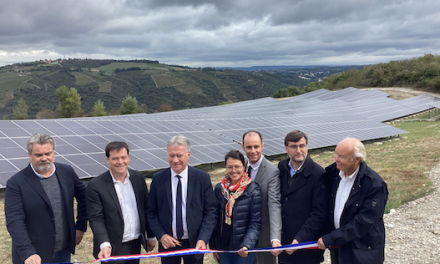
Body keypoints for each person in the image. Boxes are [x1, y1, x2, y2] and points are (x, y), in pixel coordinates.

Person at [5, 133, 87, 264]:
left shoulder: (67, 172)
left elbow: (84, 198)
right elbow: (14, 221)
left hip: (63, 251)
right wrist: (28, 252)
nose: (44, 158)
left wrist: (81, 226)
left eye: (48, 153)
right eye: (38, 155)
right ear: (29, 155)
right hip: (34, 256)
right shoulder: (16, 183)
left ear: (53, 152)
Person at [146, 135, 217, 264]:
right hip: (168, 245)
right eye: (171, 155)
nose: (175, 160)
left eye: (179, 155)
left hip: (195, 243)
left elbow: (211, 211)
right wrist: (161, 235)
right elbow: (151, 212)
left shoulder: (202, 178)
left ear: (188, 154)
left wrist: (203, 239)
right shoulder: (158, 179)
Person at [317, 138, 389, 264]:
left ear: (357, 160)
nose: (336, 159)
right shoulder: (333, 174)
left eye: (342, 156)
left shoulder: (374, 185)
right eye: (336, 154)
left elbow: (364, 221)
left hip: (362, 251)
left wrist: (332, 238)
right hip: (339, 248)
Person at [86, 141, 156, 263]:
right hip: (112, 247)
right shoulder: (96, 185)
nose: (120, 162)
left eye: (123, 157)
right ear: (107, 160)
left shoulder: (138, 178)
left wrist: (150, 236)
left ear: (128, 157)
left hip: (135, 244)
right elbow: (96, 218)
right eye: (115, 159)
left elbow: (146, 207)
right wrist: (104, 244)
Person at [277, 130, 327, 264]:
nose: (299, 150)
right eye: (294, 146)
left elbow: (318, 214)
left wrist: (299, 239)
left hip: (306, 247)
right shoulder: (282, 167)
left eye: (302, 146)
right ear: (286, 148)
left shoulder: (318, 174)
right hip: (285, 243)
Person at [210, 150, 262, 264]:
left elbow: (255, 223)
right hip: (223, 248)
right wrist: (213, 246)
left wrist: (247, 245)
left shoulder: (253, 190)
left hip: (243, 249)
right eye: (230, 167)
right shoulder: (219, 189)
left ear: (244, 167)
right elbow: (215, 218)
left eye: (237, 166)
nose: (233, 171)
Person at [241, 131, 282, 264]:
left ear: (262, 146)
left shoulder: (272, 171)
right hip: (243, 236)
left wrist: (275, 238)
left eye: (256, 147)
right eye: (249, 147)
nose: (253, 151)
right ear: (243, 147)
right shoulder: (239, 169)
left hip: (264, 236)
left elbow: (274, 204)